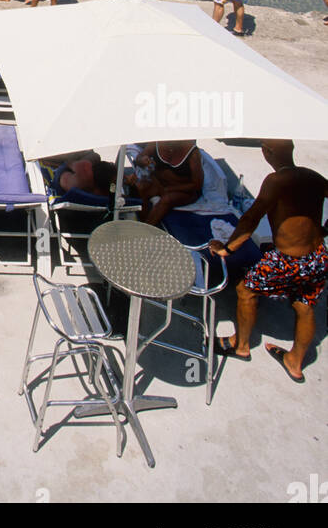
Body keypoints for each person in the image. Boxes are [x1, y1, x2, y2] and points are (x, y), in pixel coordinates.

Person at [212, 141, 328, 381]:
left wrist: (227, 249)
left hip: (287, 259)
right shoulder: (314, 177)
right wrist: (324, 230)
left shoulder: (276, 181)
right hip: (317, 256)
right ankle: (294, 362)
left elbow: (250, 219)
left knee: (245, 291)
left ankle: (241, 345)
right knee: (304, 307)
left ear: (267, 152)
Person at [128, 140, 204, 225]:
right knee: (140, 187)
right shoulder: (156, 143)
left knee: (167, 200)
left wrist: (169, 189)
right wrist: (142, 160)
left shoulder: (192, 152)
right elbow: (140, 158)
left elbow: (197, 184)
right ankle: (142, 222)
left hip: (184, 190)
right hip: (160, 184)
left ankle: (147, 229)